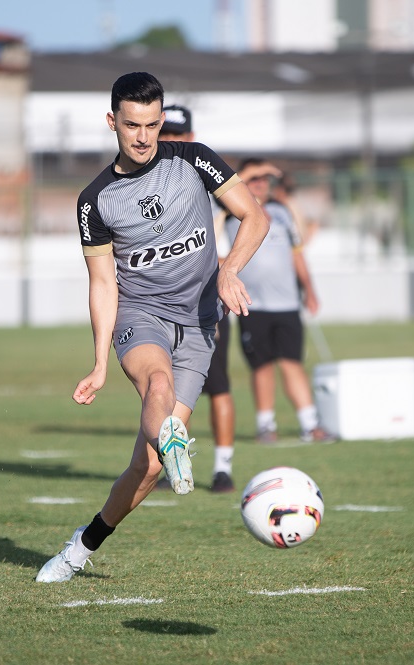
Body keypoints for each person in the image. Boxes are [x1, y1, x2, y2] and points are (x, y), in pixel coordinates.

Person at [36, 73, 269, 583]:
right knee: (156, 384)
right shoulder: (95, 199)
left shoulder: (194, 160)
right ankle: (173, 438)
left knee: (148, 468)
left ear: (162, 120)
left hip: (201, 324)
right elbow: (102, 282)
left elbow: (254, 215)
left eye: (152, 124)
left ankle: (81, 546)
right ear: (112, 121)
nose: (143, 137)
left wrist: (228, 269)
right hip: (141, 316)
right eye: (131, 125)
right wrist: (99, 363)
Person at [225, 158, 336, 444]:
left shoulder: (282, 212)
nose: (260, 184)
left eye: (264, 179)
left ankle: (310, 424)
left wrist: (309, 289)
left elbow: (296, 253)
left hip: (286, 304)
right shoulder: (229, 212)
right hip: (252, 304)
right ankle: (265, 425)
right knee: (261, 365)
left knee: (291, 362)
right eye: (254, 179)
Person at [155, 104, 237, 493]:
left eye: (176, 134)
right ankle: (157, 462)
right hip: (159, 306)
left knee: (218, 385)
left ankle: (222, 467)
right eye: (163, 133)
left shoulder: (205, 178)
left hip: (207, 302)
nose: (168, 140)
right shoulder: (144, 181)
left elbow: (248, 210)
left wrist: (228, 269)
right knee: (158, 387)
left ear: (189, 137)